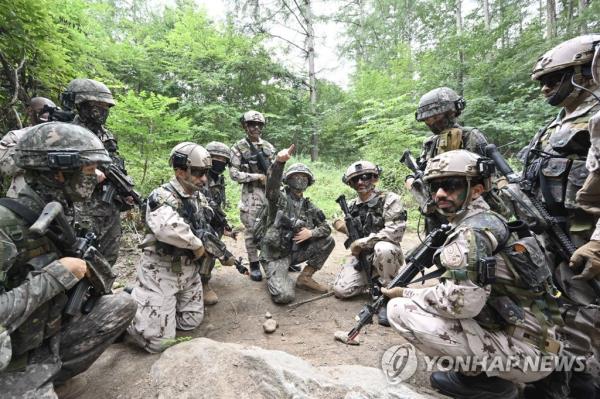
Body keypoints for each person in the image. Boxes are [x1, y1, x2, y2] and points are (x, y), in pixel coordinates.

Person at [386, 149, 562, 399]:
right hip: (540, 339)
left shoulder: (471, 233)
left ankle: (483, 383)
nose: (439, 194)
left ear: (477, 189)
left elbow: (461, 304)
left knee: (399, 309)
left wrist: (408, 293)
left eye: (451, 185)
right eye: (434, 186)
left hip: (529, 353)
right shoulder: (489, 219)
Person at [0, 122, 136, 398]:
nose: (98, 176)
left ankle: (53, 377)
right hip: (13, 357)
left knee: (121, 305)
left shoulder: (61, 209)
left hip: (44, 336)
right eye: (89, 170)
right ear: (59, 173)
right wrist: (56, 276)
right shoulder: (6, 225)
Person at [520, 34, 600, 398]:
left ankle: (582, 382)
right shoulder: (555, 125)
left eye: (555, 79)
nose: (546, 89)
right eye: (542, 82)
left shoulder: (596, 119)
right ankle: (559, 380)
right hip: (551, 234)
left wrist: (598, 243)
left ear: (585, 71)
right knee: (552, 309)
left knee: (586, 313)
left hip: (583, 240)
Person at [127, 142, 234, 353]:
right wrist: (197, 246)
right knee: (157, 344)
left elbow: (208, 223)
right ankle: (132, 305)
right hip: (161, 271)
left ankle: (156, 309)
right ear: (179, 171)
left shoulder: (198, 196)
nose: (204, 178)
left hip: (188, 272)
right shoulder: (161, 196)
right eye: (198, 173)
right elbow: (168, 228)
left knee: (191, 321)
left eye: (206, 173)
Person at [64, 78, 133, 266]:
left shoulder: (106, 135)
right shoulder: (65, 132)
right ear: (81, 105)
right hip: (79, 208)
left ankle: (102, 293)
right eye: (98, 105)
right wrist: (85, 172)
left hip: (108, 207)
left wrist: (124, 192)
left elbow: (115, 164)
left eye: (106, 107)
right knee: (79, 257)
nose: (103, 111)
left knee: (109, 257)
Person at [332, 160, 406, 326]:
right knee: (341, 290)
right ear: (350, 184)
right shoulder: (350, 205)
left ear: (374, 178)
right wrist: (340, 225)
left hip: (385, 254)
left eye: (365, 177)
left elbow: (395, 231)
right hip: (362, 259)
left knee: (383, 248)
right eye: (355, 180)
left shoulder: (389, 199)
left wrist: (363, 243)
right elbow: (336, 219)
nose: (360, 182)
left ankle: (387, 295)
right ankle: (372, 281)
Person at [259, 144, 334, 304]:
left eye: (303, 177)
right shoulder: (279, 199)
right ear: (288, 180)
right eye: (295, 177)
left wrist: (311, 233)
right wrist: (279, 163)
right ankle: (278, 274)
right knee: (284, 297)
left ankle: (305, 278)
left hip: (295, 252)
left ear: (308, 182)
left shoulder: (309, 206)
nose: (300, 180)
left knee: (328, 241)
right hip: (275, 255)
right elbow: (271, 187)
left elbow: (326, 228)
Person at [230, 110, 276, 281]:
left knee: (273, 226)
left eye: (259, 125)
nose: (255, 127)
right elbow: (234, 174)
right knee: (251, 229)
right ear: (245, 126)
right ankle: (254, 263)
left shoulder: (269, 147)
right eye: (251, 124)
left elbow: (276, 169)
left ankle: (275, 258)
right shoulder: (238, 148)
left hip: (270, 192)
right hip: (251, 193)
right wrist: (256, 177)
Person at [201, 141, 237, 305]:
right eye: (215, 158)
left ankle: (203, 280)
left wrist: (224, 225)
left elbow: (218, 206)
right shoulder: (199, 177)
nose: (219, 162)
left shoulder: (219, 179)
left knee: (212, 252)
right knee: (207, 250)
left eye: (223, 159)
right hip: (198, 222)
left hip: (213, 223)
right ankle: (202, 284)